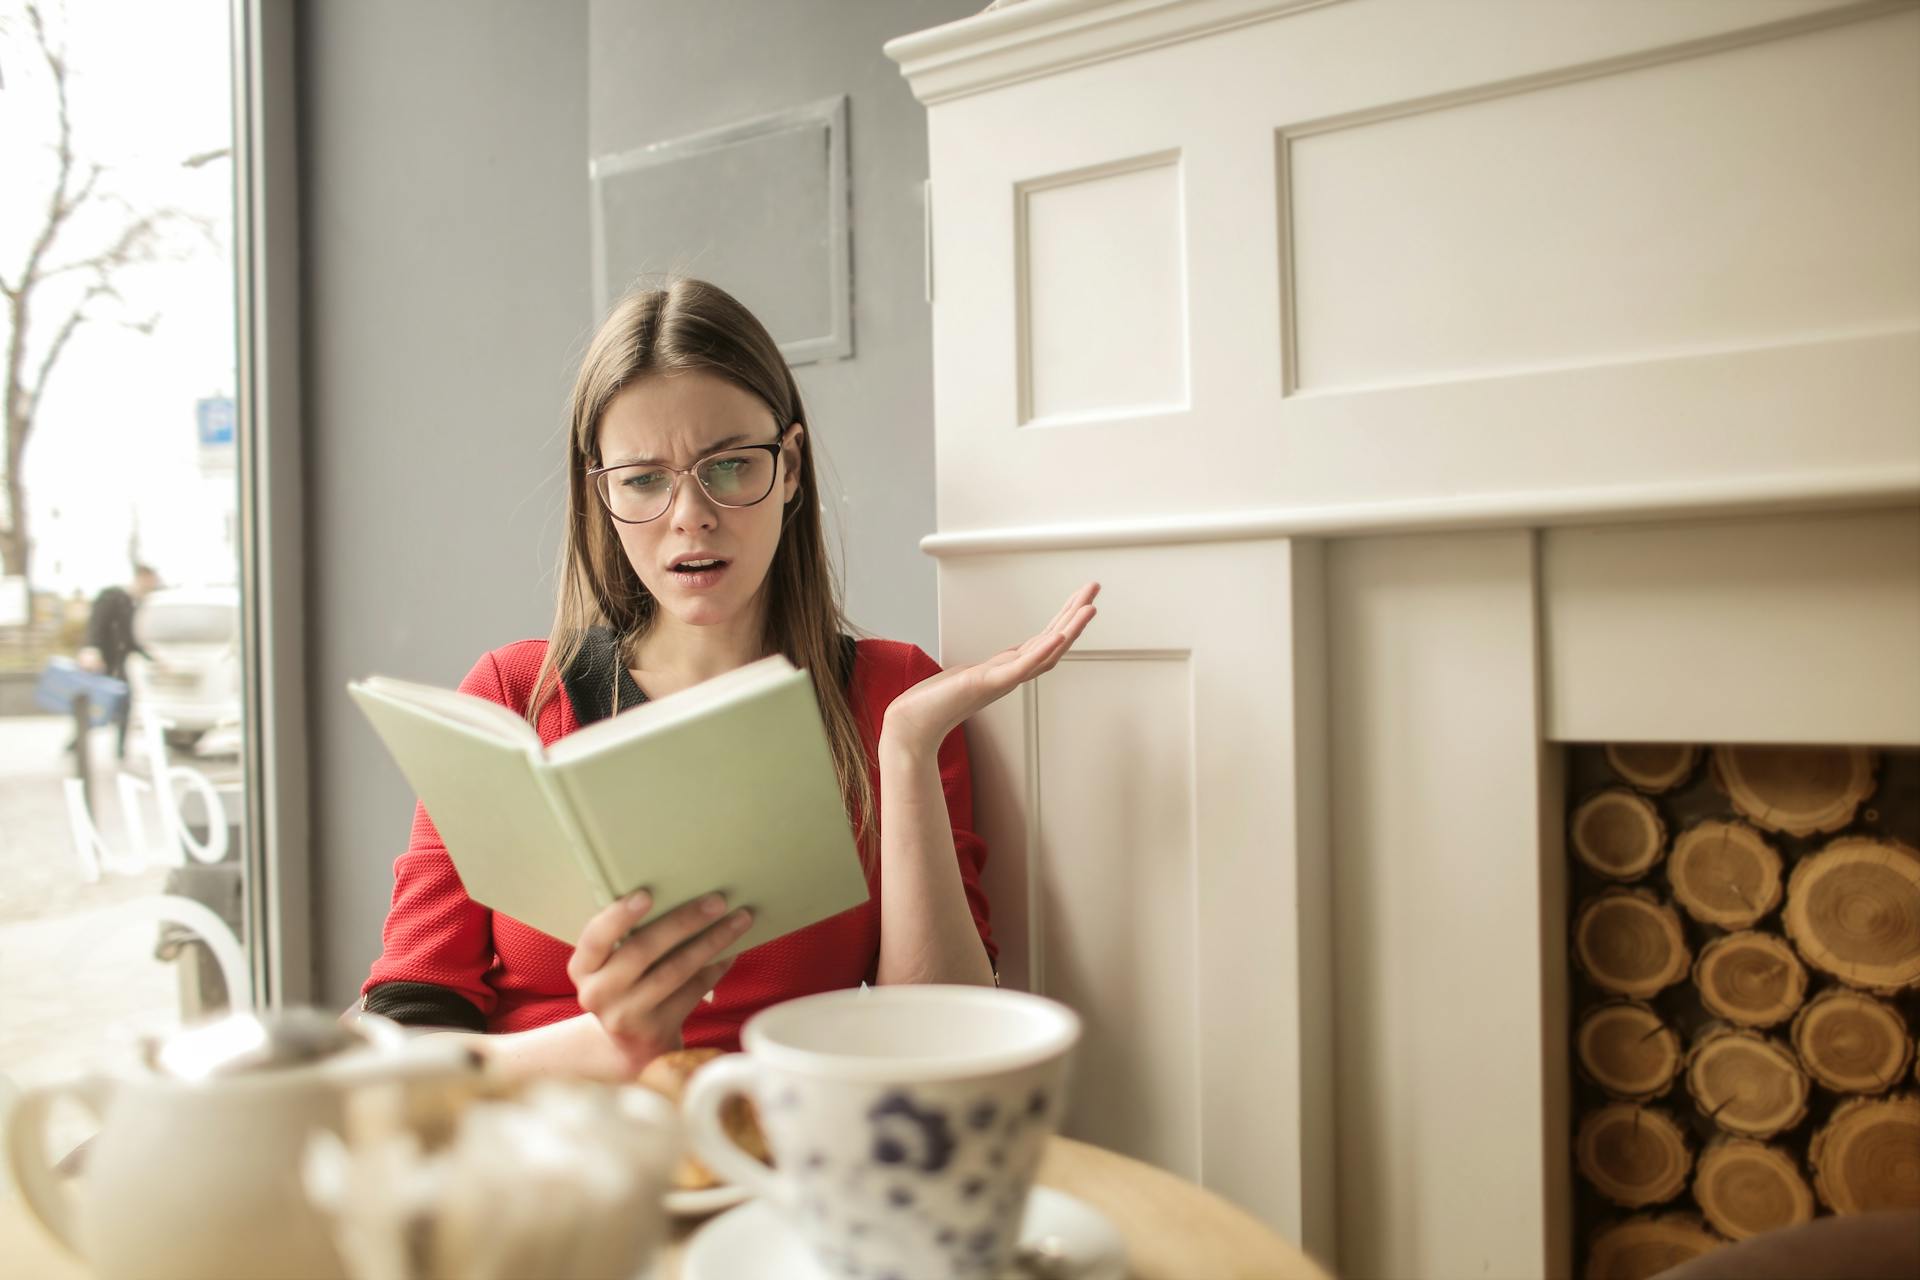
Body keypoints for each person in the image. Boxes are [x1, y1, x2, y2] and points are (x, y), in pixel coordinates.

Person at [359, 279, 1097, 1081]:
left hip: (769, 1153)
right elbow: (406, 1040)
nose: (691, 515)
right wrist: (616, 1045)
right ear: (597, 492)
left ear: (791, 468)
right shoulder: (514, 692)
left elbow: (940, 1045)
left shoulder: (894, 695)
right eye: (643, 479)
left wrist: (908, 751)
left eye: (732, 466)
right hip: (548, 1160)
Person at [75, 563, 160, 759]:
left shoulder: (132, 603)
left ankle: (119, 749)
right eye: (151, 581)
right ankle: (75, 743)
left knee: (122, 703)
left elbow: (130, 640)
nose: (152, 586)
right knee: (94, 705)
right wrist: (91, 649)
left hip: (117, 664)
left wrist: (153, 658)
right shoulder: (112, 596)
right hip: (101, 663)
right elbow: (96, 624)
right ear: (142, 578)